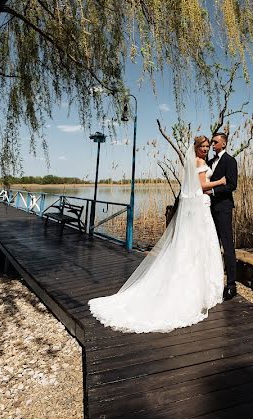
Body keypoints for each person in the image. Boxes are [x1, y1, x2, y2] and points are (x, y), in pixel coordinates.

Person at [88, 136, 226, 333]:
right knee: (202, 246)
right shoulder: (200, 162)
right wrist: (220, 181)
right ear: (195, 148)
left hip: (196, 207)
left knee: (192, 246)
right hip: (201, 208)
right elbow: (202, 187)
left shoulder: (190, 163)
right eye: (202, 147)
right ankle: (200, 291)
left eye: (206, 146)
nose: (205, 149)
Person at [207, 132, 238, 301]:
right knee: (211, 245)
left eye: (215, 142)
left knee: (227, 245)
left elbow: (232, 185)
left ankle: (232, 285)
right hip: (208, 209)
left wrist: (213, 191)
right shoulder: (210, 162)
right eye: (212, 142)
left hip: (223, 208)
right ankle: (213, 281)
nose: (212, 145)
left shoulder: (230, 161)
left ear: (224, 144)